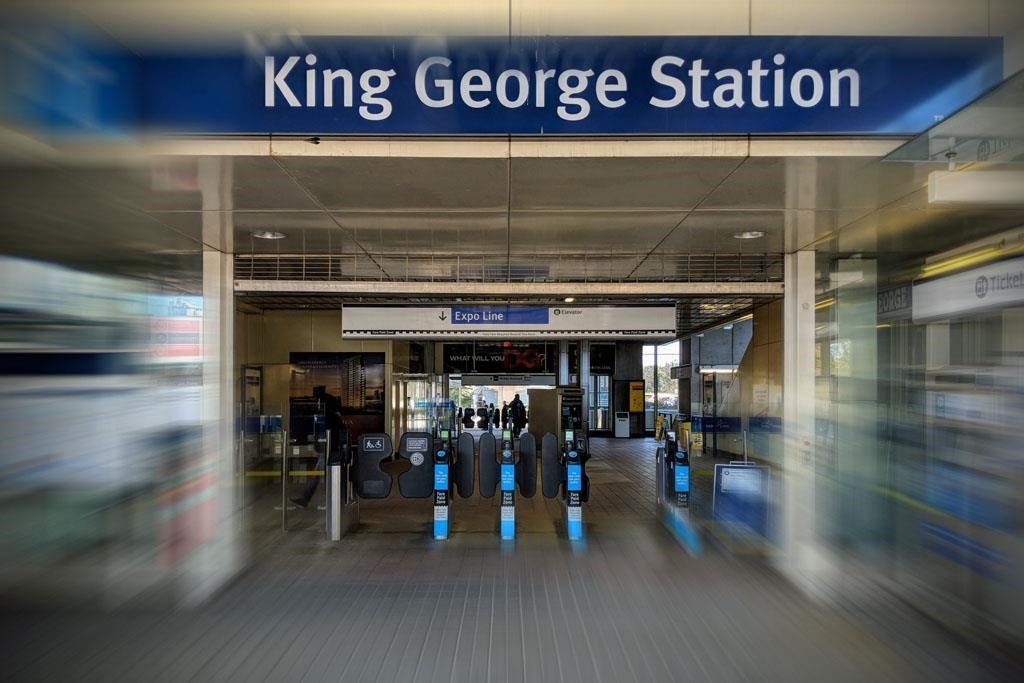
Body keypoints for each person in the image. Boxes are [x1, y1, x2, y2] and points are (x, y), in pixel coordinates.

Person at [291, 385, 343, 508]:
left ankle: (308, 499)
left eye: (320, 402)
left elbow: (325, 433)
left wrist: (318, 446)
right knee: (323, 475)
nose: (318, 405)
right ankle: (310, 498)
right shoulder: (334, 417)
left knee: (321, 475)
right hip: (331, 449)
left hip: (328, 449)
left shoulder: (327, 417)